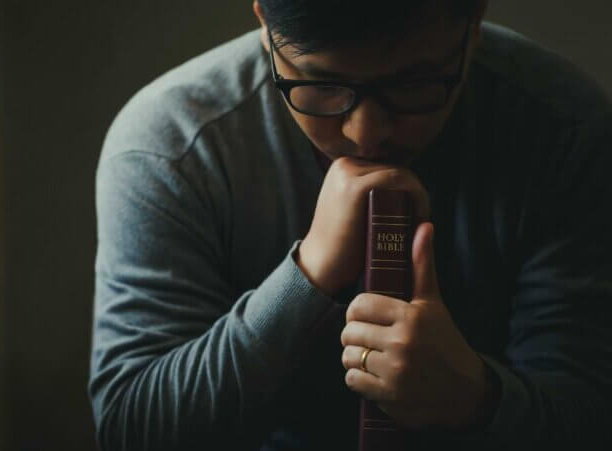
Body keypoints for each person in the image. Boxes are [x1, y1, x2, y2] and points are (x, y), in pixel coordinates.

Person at [88, 0, 612, 449]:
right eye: (320, 86)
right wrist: (308, 275)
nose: (365, 132)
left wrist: (477, 397)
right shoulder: (172, 148)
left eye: (414, 84)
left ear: (473, 24)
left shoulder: (566, 133)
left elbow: (591, 417)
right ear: (266, 25)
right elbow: (133, 427)